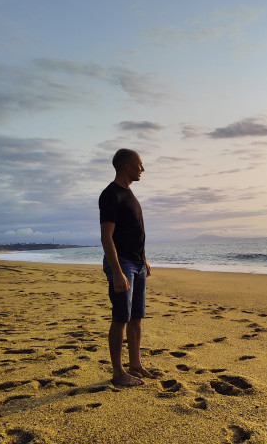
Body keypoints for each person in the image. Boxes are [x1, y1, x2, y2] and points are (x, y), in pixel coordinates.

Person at [99, 149, 154, 387]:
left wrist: (144, 259)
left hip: (137, 264)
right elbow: (106, 237)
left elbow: (134, 231)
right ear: (126, 166)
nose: (143, 169)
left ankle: (135, 364)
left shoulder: (129, 194)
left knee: (136, 317)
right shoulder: (111, 195)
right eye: (140, 164)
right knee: (121, 317)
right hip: (123, 265)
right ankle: (118, 373)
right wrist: (118, 271)